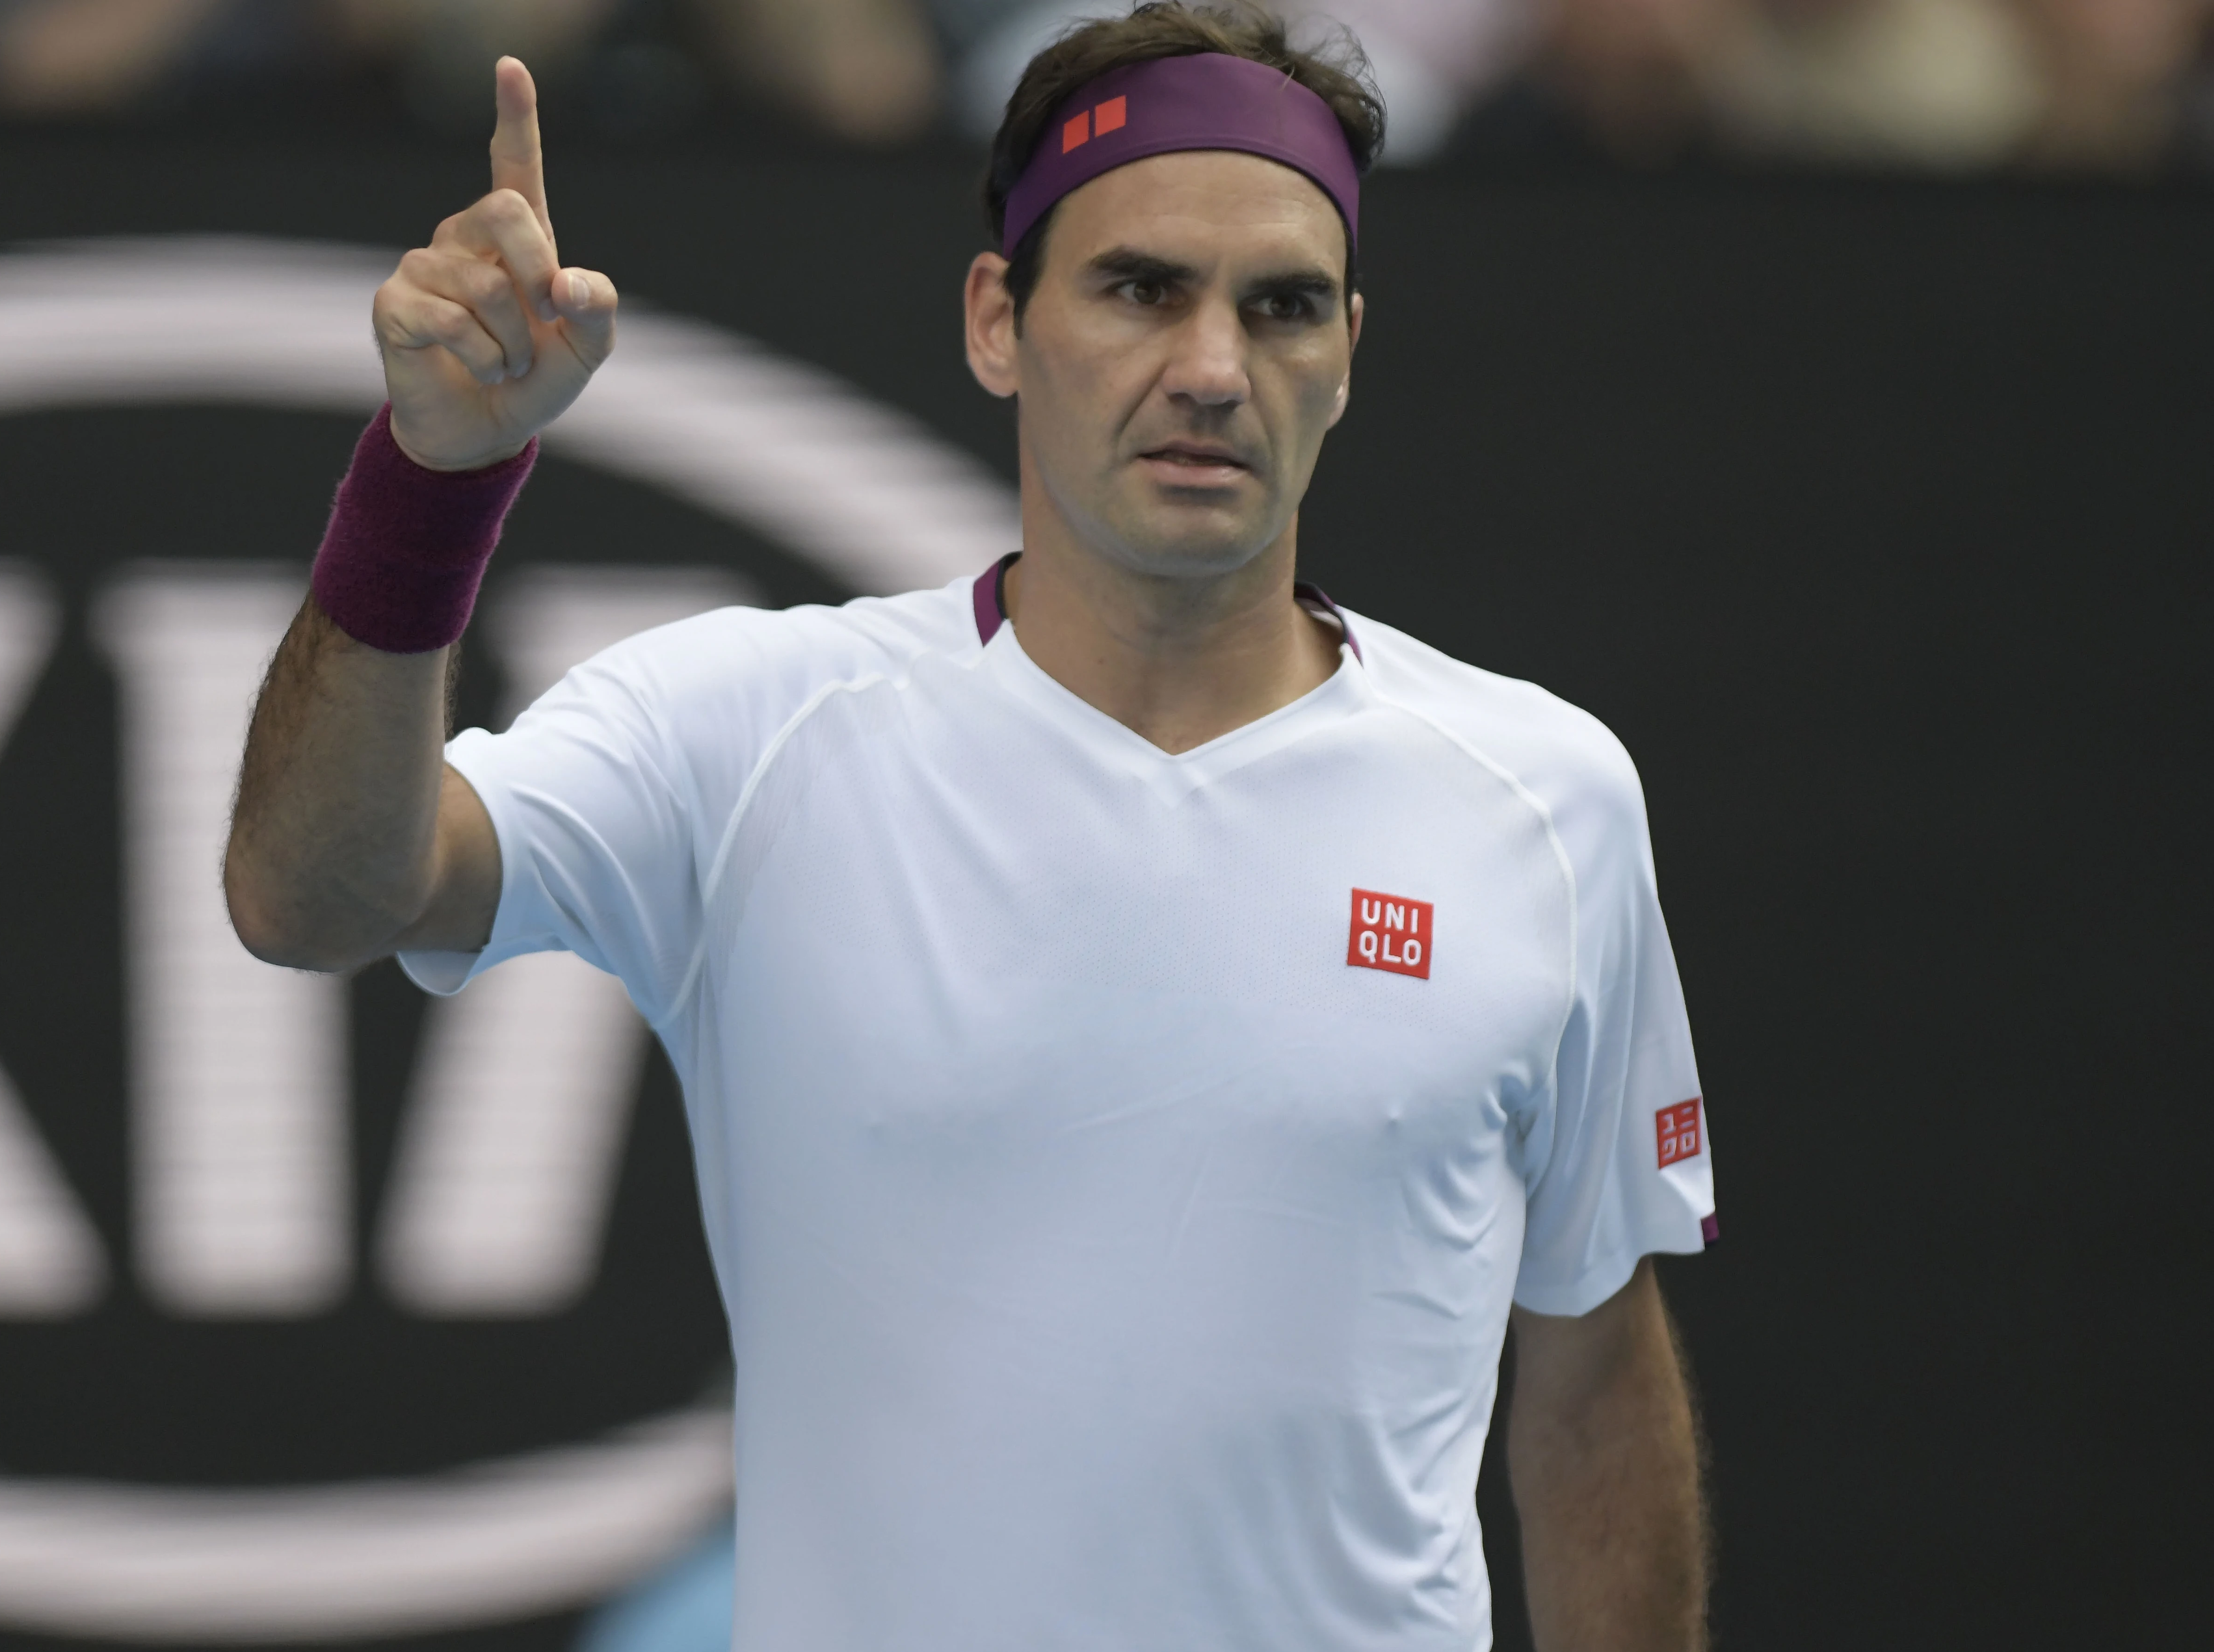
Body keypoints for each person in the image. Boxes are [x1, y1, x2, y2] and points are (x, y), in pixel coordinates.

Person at [225, 6, 1718, 1646]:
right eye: (1142, 287)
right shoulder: (747, 734)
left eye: (1282, 307)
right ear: (998, 321)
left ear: (1346, 352)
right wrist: (427, 488)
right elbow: (312, 895)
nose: (1213, 370)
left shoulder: (1551, 798)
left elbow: (1589, 1383)